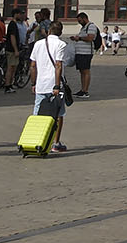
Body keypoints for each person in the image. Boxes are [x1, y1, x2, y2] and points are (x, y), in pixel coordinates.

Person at [26, 19, 70, 153]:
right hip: (54, 84)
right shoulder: (61, 44)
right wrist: (56, 85)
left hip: (40, 84)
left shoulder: (38, 44)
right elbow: (58, 65)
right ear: (60, 32)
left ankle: (35, 140)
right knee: (58, 113)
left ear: (48, 31)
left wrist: (33, 83)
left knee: (37, 112)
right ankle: (55, 143)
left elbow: (32, 66)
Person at [69, 13, 99, 97]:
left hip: (86, 53)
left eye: (80, 20)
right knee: (82, 71)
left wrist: (79, 38)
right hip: (81, 52)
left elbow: (90, 38)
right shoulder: (84, 27)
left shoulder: (91, 26)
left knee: (85, 71)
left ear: (84, 18)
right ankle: (82, 90)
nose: (79, 22)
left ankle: (85, 91)